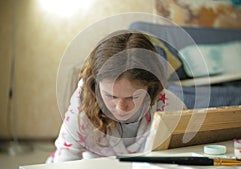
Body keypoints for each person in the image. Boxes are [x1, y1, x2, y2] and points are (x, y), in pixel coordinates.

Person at [47, 30, 186, 163]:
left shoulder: (170, 106)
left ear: (151, 87)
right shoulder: (82, 105)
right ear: (95, 85)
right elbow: (65, 159)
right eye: (110, 96)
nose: (121, 108)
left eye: (132, 97)